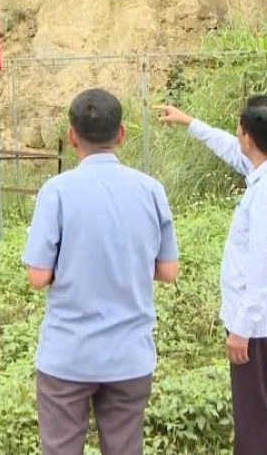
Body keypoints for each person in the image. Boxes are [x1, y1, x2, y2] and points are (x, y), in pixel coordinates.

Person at [23, 88, 180, 455]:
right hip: (130, 357)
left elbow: (38, 277)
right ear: (121, 134)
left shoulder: (56, 191)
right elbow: (169, 270)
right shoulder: (150, 190)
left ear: (72, 136)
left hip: (67, 357)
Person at [158, 97, 267, 455]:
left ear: (248, 137)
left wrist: (241, 330)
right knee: (258, 410)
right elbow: (230, 150)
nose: (235, 133)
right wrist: (188, 121)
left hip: (256, 327)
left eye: (239, 127)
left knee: (254, 422)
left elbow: (263, 268)